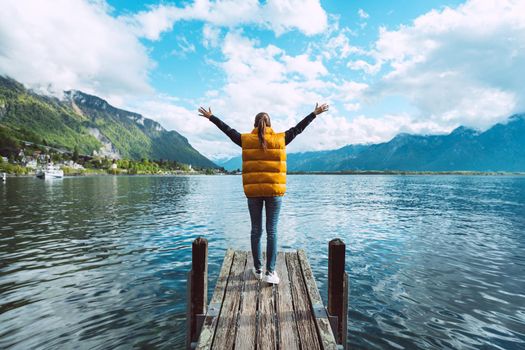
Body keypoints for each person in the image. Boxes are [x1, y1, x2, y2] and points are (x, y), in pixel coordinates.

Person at [198, 103, 329, 284]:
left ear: (254, 124)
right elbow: (299, 128)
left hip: (253, 193)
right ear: (270, 124)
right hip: (274, 192)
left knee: (256, 231)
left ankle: (258, 270)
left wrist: (211, 117)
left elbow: (227, 130)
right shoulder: (280, 138)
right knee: (271, 231)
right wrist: (314, 113)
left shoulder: (245, 139)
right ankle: (270, 272)